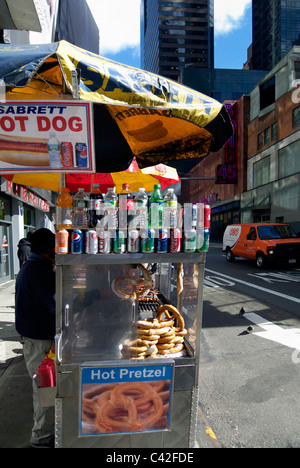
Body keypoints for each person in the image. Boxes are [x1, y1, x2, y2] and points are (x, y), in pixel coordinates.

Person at [15, 228, 56, 448]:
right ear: (48, 250)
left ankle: (45, 434)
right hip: (39, 343)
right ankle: (40, 439)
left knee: (45, 390)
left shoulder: (34, 266)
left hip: (36, 339)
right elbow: (55, 303)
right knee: (44, 391)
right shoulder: (37, 271)